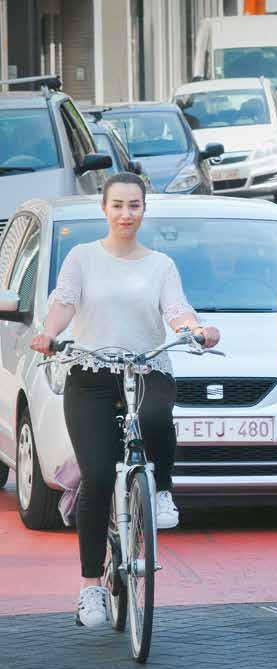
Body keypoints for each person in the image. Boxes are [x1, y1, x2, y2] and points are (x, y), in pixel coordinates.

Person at [30, 172, 220, 629]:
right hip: (92, 374)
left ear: (144, 209)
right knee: (97, 474)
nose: (126, 214)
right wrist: (49, 334)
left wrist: (193, 330)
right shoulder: (82, 257)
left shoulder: (160, 265)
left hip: (145, 369)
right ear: (104, 208)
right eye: (117, 205)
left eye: (134, 205)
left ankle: (162, 493)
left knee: (156, 416)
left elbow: (177, 309)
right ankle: (91, 588)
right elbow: (64, 302)